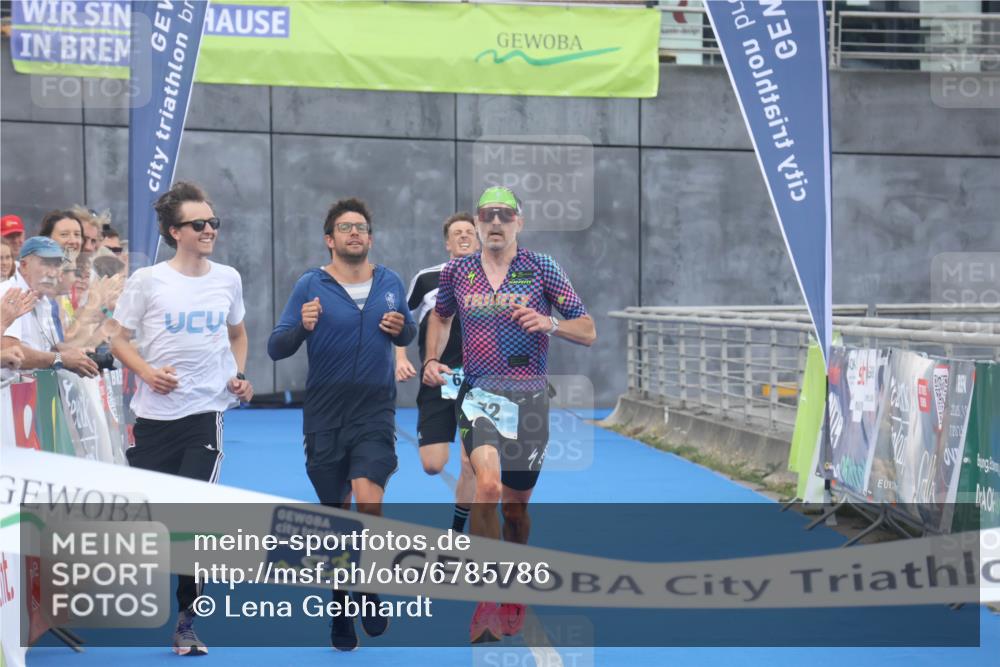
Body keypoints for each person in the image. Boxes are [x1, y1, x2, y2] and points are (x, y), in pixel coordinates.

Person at [422, 186, 596, 643]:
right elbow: (440, 317)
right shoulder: (458, 272)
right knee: (488, 485)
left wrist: (550, 323)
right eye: (487, 215)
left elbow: (589, 329)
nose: (495, 222)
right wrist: (432, 359)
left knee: (516, 508)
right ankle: (485, 599)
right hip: (478, 394)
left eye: (504, 215)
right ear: (477, 224)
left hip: (530, 399)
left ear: (519, 221)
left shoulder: (541, 268)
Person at [109, 181, 253, 657]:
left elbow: (237, 333)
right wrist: (148, 372)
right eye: (199, 224)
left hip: (204, 412)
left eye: (213, 222)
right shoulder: (148, 281)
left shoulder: (227, 278)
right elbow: (118, 339)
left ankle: (187, 621)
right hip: (153, 419)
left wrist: (237, 375)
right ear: (176, 232)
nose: (210, 229)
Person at [268, 197, 416, 652]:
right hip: (325, 415)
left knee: (368, 503)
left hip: (374, 411)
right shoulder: (310, 285)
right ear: (330, 239)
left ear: (369, 238)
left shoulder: (389, 282)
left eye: (362, 227)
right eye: (345, 227)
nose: (355, 232)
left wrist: (400, 330)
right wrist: (302, 327)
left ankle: (368, 588)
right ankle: (341, 603)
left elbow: (410, 332)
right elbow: (277, 347)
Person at [395, 212, 479, 533]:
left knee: (472, 463)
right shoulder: (429, 278)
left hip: (478, 384)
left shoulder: (493, 279)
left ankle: (457, 532)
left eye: (469, 231)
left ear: (478, 237)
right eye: (456, 232)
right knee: (433, 464)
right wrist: (400, 358)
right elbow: (400, 319)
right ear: (447, 243)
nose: (463, 236)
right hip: (438, 380)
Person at [0, 237, 97, 379]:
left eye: (57, 265)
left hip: (36, 390)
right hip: (9, 394)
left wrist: (80, 356)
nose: (52, 273)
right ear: (24, 265)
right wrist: (61, 359)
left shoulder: (44, 299)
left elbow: (51, 347)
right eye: (46, 264)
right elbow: (11, 352)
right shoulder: (9, 293)